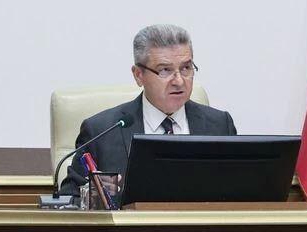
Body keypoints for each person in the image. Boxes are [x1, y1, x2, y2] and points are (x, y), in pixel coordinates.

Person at [58, 24, 237, 196]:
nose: (179, 81)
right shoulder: (101, 132)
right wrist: (95, 194)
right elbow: (70, 198)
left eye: (186, 68)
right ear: (138, 75)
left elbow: (239, 192)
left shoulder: (220, 126)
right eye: (165, 70)